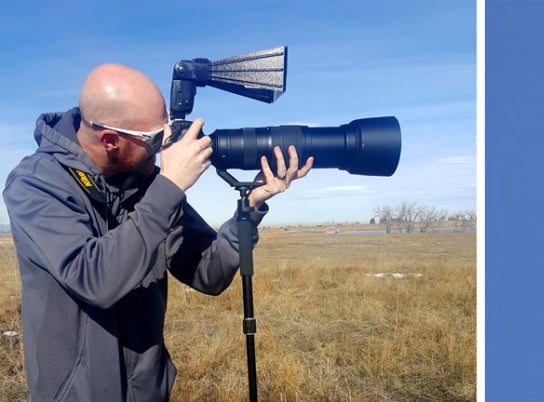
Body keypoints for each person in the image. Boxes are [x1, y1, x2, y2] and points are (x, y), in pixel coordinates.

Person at [3, 63, 314, 401]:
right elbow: (94, 278)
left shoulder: (148, 183)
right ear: (110, 139)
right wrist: (169, 187)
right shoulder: (36, 183)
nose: (165, 148)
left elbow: (208, 273)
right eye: (155, 139)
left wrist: (250, 206)